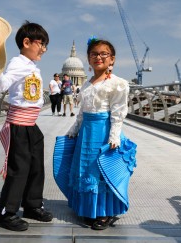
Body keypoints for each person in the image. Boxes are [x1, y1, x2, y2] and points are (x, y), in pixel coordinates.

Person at [53, 37, 137, 230]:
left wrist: (114, 136)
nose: (98, 57)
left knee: (101, 169)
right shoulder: (86, 84)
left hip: (103, 130)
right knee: (85, 168)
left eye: (103, 54)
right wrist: (74, 129)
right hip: (86, 132)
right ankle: (88, 209)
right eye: (94, 54)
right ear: (88, 59)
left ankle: (104, 212)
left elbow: (118, 111)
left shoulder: (118, 83)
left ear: (112, 59)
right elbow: (82, 112)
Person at [0, 21, 53, 232]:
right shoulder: (18, 63)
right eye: (41, 43)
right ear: (27, 42)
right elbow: (2, 85)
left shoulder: (31, 66)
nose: (44, 49)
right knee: (18, 170)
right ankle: (6, 214)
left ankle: (32, 205)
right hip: (19, 124)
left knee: (36, 167)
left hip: (31, 125)